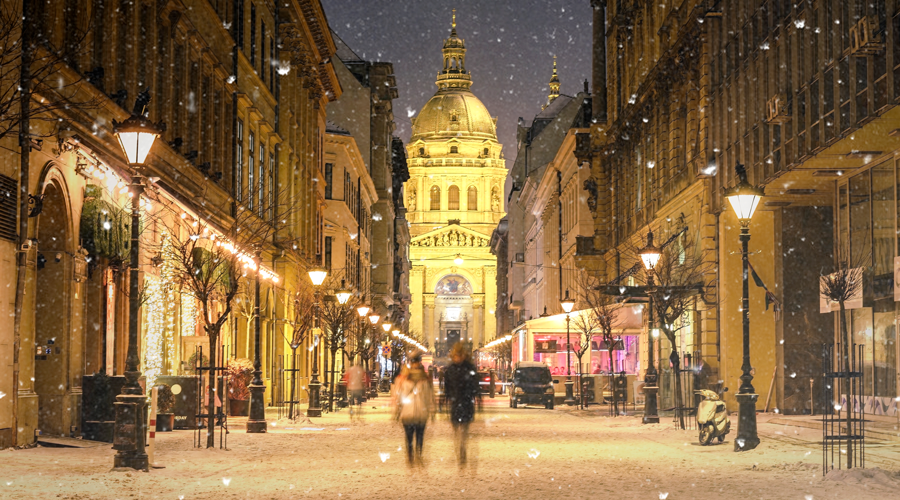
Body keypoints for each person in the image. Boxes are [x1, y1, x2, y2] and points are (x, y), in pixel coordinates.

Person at [391, 352, 434, 466]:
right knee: (409, 436)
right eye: (413, 362)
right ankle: (410, 456)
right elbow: (398, 395)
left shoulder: (425, 379)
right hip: (408, 412)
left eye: (416, 362)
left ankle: (418, 455)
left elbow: (429, 396)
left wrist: (431, 409)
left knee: (420, 435)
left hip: (421, 411)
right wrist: (396, 410)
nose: (415, 365)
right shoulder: (404, 379)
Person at [442, 342, 480, 466]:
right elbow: (446, 388)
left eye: (459, 355)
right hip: (457, 403)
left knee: (463, 430)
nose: (458, 357)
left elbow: (475, 386)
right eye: (456, 355)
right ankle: (460, 448)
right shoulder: (453, 369)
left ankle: (461, 449)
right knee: (457, 431)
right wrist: (444, 401)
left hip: (465, 402)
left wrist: (477, 398)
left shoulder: (461, 369)